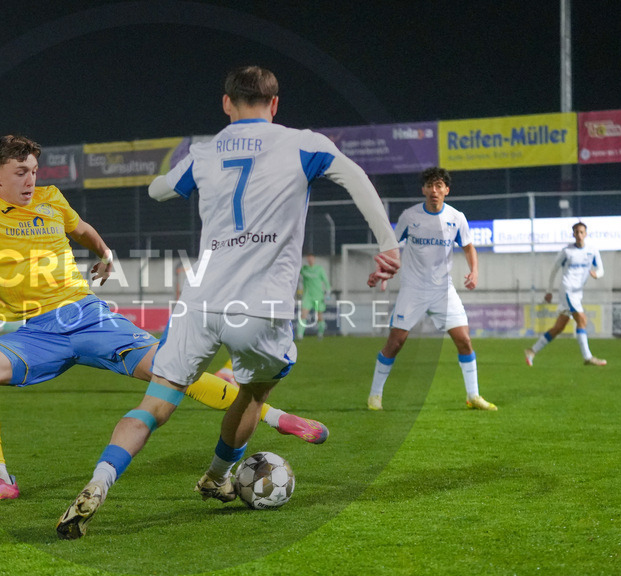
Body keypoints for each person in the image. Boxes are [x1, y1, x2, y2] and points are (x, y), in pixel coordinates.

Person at [0, 65, 330, 505]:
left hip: (85, 314)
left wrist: (103, 253)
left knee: (169, 372)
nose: (31, 180)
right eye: (21, 172)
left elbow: (82, 229)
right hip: (35, 331)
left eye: (33, 170)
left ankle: (272, 414)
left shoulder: (51, 200)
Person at [57, 65, 401, 539]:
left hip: (198, 301)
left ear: (226, 104)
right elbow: (356, 177)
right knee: (254, 393)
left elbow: (157, 190)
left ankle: (100, 480)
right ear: (275, 104)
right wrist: (388, 243)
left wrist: (184, 168)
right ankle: (216, 478)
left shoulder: (205, 152)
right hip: (259, 309)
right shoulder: (304, 144)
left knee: (154, 403)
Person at [366, 167, 497, 412]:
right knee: (395, 343)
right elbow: (392, 247)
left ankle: (473, 395)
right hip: (413, 290)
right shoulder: (410, 216)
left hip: (443, 291)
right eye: (430, 186)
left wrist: (474, 271)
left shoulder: (457, 217)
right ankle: (375, 396)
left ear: (447, 190)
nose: (434, 191)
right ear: (423, 189)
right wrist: (381, 272)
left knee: (464, 341)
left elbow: (469, 247)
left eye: (439, 186)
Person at [524, 222, 606, 366]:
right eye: (576, 232)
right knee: (582, 320)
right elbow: (554, 270)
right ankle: (588, 357)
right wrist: (549, 291)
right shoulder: (567, 252)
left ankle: (532, 351)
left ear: (586, 234)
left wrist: (597, 274)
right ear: (573, 234)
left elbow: (601, 269)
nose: (579, 235)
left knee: (559, 327)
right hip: (567, 290)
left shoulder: (592, 251)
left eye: (581, 232)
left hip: (577, 293)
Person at [296, 253, 331, 339]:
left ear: (314, 259)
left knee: (319, 316)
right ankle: (300, 335)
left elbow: (326, 282)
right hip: (307, 296)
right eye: (308, 258)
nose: (310, 260)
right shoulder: (304, 269)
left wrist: (328, 292)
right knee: (303, 315)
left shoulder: (319, 269)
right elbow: (297, 277)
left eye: (311, 258)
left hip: (318, 296)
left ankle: (320, 333)